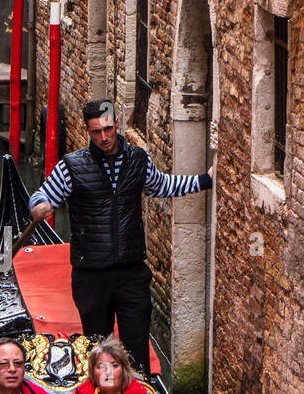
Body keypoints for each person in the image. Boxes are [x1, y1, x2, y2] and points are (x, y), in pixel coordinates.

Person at [29, 99, 213, 372]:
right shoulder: (72, 166)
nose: (103, 138)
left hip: (131, 271)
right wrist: (37, 206)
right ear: (88, 131)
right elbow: (42, 194)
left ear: (116, 124)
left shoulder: (138, 160)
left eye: (107, 129)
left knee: (136, 348)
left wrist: (205, 180)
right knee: (98, 350)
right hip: (91, 274)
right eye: (96, 132)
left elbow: (162, 185)